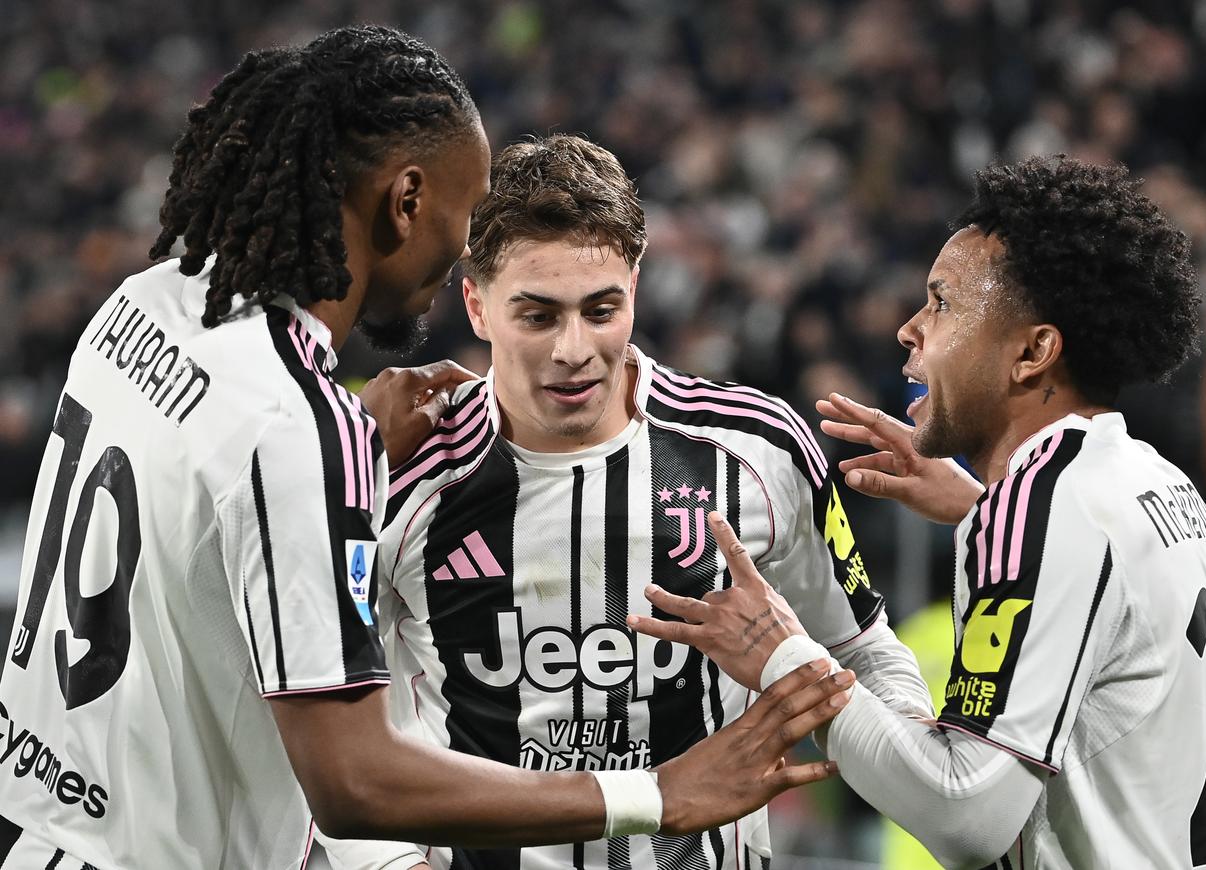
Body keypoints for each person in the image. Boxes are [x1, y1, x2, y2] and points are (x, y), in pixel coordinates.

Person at [0, 27, 850, 870]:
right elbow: (354, 784)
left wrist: (353, 444)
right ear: (406, 200)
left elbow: (202, 503)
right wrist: (660, 794)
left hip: (44, 832)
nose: (460, 252)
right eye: (466, 208)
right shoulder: (297, 428)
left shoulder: (141, 306)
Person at [320, 133, 930, 870]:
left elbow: (860, 648)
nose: (574, 348)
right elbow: (326, 728)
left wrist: (926, 781)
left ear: (635, 291)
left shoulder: (757, 447)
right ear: (477, 307)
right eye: (538, 315)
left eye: (600, 309)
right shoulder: (398, 473)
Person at [631, 156, 1206, 868]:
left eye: (942, 304)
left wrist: (782, 655)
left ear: (1032, 352)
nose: (909, 328)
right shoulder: (1150, 481)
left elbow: (967, 815)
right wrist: (986, 512)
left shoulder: (1048, 506)